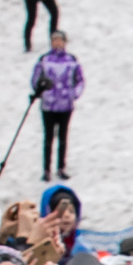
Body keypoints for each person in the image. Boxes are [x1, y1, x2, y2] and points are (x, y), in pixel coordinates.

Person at [31, 30, 82, 179]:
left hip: (65, 104)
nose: (58, 43)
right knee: (48, 137)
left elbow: (79, 80)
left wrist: (74, 94)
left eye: (60, 40)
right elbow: (35, 79)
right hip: (49, 105)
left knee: (63, 136)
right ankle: (46, 169)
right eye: (55, 40)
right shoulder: (44, 60)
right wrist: (41, 90)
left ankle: (61, 167)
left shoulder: (71, 60)